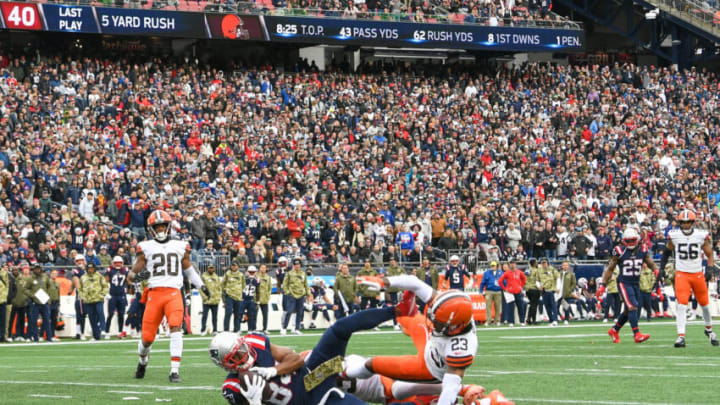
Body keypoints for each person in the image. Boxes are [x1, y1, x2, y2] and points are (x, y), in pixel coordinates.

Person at [211, 300, 415, 405]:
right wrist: (255, 402)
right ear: (225, 365)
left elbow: (295, 360)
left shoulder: (256, 341)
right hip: (314, 401)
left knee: (338, 329)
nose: (243, 356)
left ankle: (398, 310)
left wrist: (273, 371)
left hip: (312, 375)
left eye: (242, 350)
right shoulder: (232, 387)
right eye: (235, 357)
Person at [347, 274, 479, 405]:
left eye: (439, 322)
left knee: (374, 367)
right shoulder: (456, 315)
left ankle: (336, 372)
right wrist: (384, 282)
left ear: (455, 327)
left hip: (428, 370)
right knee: (406, 316)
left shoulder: (461, 347)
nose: (433, 322)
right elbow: (414, 282)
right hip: (428, 353)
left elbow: (450, 386)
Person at [128, 210, 210, 383]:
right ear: (151, 229)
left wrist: (201, 285)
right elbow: (132, 276)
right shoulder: (146, 247)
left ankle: (174, 371)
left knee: (175, 327)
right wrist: (145, 275)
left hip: (174, 293)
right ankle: (142, 362)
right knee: (147, 338)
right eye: (156, 227)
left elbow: (188, 270)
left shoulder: (180, 245)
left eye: (162, 226)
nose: (159, 230)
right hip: (154, 294)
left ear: (168, 227)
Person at [659, 209, 719, 347]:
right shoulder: (674, 236)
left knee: (705, 305)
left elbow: (709, 254)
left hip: (697, 273)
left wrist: (709, 269)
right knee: (681, 304)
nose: (686, 225)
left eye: (688, 222)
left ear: (692, 222)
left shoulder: (700, 235)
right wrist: (662, 268)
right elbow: (667, 252)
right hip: (682, 274)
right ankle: (681, 336)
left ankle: (709, 330)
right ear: (680, 223)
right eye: (683, 222)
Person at [604, 228, 656, 344]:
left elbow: (650, 263)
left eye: (633, 240)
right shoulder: (619, 251)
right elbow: (610, 269)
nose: (631, 243)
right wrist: (603, 284)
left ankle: (614, 330)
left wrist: (657, 271)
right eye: (629, 240)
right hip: (624, 282)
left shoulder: (643, 249)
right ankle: (637, 334)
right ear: (623, 241)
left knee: (629, 310)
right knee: (633, 306)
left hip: (636, 283)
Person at [281, 258, 310, 335]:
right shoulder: (289, 273)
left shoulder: (303, 274)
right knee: (289, 311)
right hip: (292, 295)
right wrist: (287, 292)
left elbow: (306, 285)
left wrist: (308, 294)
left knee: (300, 312)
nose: (297, 266)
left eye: (298, 264)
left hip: (301, 295)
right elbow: (285, 284)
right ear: (293, 265)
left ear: (300, 265)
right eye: (295, 264)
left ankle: (297, 328)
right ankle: (284, 328)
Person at [80, 263, 109, 341]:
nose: (90, 270)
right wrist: (83, 296)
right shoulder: (83, 277)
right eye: (89, 269)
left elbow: (105, 286)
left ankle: (103, 329)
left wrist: (102, 294)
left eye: (92, 268)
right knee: (91, 318)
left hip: (98, 299)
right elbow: (80, 289)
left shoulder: (99, 276)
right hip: (88, 300)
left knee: (100, 312)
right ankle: (96, 336)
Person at [25, 265, 53, 342]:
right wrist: (32, 295)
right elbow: (25, 289)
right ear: (33, 270)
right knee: (33, 321)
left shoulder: (45, 277)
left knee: (47, 320)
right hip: (35, 303)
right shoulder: (30, 279)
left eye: (38, 269)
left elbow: (50, 287)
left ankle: (49, 338)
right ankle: (35, 338)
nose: (37, 270)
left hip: (44, 302)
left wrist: (48, 296)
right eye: (36, 269)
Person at [105, 256, 129, 338]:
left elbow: (129, 281)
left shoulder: (125, 270)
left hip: (121, 295)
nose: (118, 264)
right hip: (112, 295)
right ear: (113, 263)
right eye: (116, 263)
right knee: (110, 314)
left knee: (121, 314)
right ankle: (107, 331)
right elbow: (106, 281)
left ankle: (120, 331)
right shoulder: (110, 270)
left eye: (119, 263)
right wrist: (106, 292)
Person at [498, 261, 526, 327]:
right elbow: (500, 281)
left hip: (518, 292)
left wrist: (521, 286)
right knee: (510, 307)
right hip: (510, 293)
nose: (512, 265)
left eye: (513, 263)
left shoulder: (519, 272)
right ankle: (511, 321)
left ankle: (522, 321)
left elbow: (524, 279)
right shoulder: (507, 273)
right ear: (509, 265)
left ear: (515, 264)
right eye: (511, 264)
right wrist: (504, 288)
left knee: (520, 307)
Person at [200, 263, 222, 335]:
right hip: (207, 301)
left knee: (215, 317)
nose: (211, 269)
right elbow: (200, 288)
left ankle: (215, 330)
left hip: (215, 300)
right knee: (204, 316)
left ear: (214, 268)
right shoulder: (204, 276)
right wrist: (204, 297)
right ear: (207, 268)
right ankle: (203, 330)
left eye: (212, 268)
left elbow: (219, 288)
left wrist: (218, 297)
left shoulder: (216, 277)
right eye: (210, 268)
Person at [223, 261, 245, 333]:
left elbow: (243, 285)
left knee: (237, 314)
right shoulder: (227, 274)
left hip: (238, 296)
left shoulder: (241, 275)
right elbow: (223, 284)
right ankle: (226, 329)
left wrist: (239, 292)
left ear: (238, 266)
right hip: (229, 296)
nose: (234, 267)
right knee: (228, 313)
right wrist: (225, 293)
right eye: (232, 265)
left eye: (235, 266)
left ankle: (237, 329)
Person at [385, 257, 406, 330]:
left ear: (396, 261)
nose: (392, 262)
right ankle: (395, 323)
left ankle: (402, 323)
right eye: (391, 260)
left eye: (393, 260)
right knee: (395, 308)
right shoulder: (388, 270)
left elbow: (405, 278)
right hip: (392, 291)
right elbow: (385, 280)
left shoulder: (400, 269)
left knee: (401, 308)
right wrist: (387, 291)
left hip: (400, 290)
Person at [479, 261, 503, 326]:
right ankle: (488, 320)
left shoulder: (500, 272)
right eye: (492, 265)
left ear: (497, 266)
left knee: (498, 306)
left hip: (498, 291)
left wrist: (505, 288)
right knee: (488, 306)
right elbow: (483, 282)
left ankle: (497, 320)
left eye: (494, 265)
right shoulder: (487, 273)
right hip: (489, 291)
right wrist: (481, 291)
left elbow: (504, 281)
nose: (493, 267)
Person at [9, 266, 29, 342]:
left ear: (19, 271)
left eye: (16, 270)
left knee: (22, 320)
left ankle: (21, 335)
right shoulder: (10, 279)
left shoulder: (23, 279)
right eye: (13, 270)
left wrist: (25, 298)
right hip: (12, 303)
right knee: (11, 320)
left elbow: (27, 290)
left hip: (22, 302)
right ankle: (10, 335)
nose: (15, 271)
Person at [538, 258, 559, 326]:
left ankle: (555, 320)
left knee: (553, 305)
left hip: (552, 290)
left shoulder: (552, 269)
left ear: (547, 263)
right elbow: (537, 280)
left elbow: (558, 277)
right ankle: (551, 320)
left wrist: (558, 287)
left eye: (545, 263)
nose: (544, 264)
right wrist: (539, 286)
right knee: (547, 306)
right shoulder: (539, 270)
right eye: (542, 263)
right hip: (544, 290)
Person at [238, 265, 260, 332]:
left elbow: (258, 291)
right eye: (250, 272)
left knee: (251, 315)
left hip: (251, 300)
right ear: (247, 272)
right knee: (239, 314)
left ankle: (250, 329)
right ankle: (238, 329)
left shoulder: (257, 280)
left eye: (253, 272)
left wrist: (258, 301)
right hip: (243, 299)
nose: (251, 273)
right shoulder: (244, 279)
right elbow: (239, 289)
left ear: (255, 272)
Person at [71, 254, 88, 340]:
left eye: (81, 260)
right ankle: (80, 333)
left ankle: (81, 332)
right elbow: (75, 282)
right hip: (81, 295)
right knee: (80, 314)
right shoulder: (76, 271)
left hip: (89, 295)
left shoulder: (89, 270)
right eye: (78, 261)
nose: (80, 262)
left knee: (84, 314)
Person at [524, 259, 541, 325]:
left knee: (531, 304)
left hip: (528, 289)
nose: (537, 263)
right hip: (534, 288)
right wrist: (539, 287)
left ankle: (529, 319)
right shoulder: (536, 271)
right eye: (536, 262)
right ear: (534, 263)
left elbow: (524, 278)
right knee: (534, 305)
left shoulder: (527, 270)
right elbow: (537, 280)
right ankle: (533, 319)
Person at [256, 264, 272, 334]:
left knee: (265, 315)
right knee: (254, 314)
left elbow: (269, 288)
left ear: (266, 269)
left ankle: (265, 328)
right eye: (262, 268)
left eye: (264, 268)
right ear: (259, 268)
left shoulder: (268, 277)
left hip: (265, 299)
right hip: (257, 299)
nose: (263, 269)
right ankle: (254, 328)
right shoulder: (256, 276)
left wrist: (268, 296)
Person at [0, 264, 8, 342]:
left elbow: (8, 286)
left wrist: (7, 296)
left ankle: (2, 336)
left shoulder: (4, 274)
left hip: (3, 300)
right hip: (2, 299)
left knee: (3, 320)